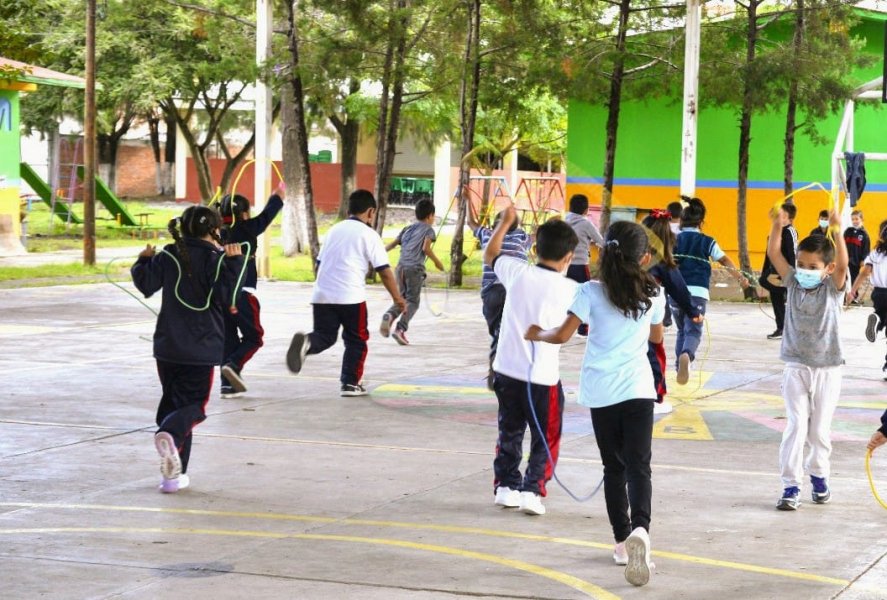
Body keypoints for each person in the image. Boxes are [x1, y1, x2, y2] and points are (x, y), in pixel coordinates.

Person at [526, 220, 665, 588]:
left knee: (614, 468)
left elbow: (563, 335)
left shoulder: (589, 292)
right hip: (638, 390)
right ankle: (642, 532)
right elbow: (656, 337)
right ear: (645, 257)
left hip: (602, 394)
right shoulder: (654, 293)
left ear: (602, 253)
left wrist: (536, 333)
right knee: (640, 467)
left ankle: (621, 542)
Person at [131, 205, 244, 493]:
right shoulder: (217, 259)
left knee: (174, 405)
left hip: (167, 347)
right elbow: (227, 299)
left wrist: (143, 261)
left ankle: (172, 477)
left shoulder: (168, 254)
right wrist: (235, 264)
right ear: (214, 230)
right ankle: (168, 434)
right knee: (192, 408)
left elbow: (146, 285)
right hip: (201, 348)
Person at [484, 205, 577, 518]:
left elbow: (491, 253)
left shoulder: (517, 272)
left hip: (506, 370)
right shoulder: (572, 290)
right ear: (569, 258)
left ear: (535, 248)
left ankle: (505, 486)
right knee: (546, 435)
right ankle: (533, 489)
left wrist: (506, 222)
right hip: (542, 378)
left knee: (509, 430)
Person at [286, 190, 406, 397]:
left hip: (322, 295)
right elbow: (384, 271)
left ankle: (306, 343)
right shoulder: (369, 235)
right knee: (356, 340)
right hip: (350, 296)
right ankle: (350, 383)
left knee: (324, 336)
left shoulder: (334, 230)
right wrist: (398, 298)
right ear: (370, 212)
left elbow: (319, 263)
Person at [766, 207, 848, 510]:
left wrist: (837, 231)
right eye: (800, 263)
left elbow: (843, 266)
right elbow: (775, 252)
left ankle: (820, 477)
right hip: (796, 366)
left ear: (825, 268)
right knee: (796, 426)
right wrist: (777, 225)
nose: (803, 269)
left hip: (828, 368)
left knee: (818, 431)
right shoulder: (793, 282)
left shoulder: (832, 287)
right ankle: (790, 486)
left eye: (812, 265)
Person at [217, 183, 285, 398]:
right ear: (244, 214)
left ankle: (227, 385)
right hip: (242, 294)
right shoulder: (246, 228)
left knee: (229, 339)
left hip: (220, 296)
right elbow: (267, 216)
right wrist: (278, 197)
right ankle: (233, 365)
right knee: (254, 337)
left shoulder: (218, 232)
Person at [673, 197, 748, 384]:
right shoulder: (707, 241)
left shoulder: (673, 240)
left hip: (675, 290)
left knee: (681, 330)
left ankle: (679, 366)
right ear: (701, 222)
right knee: (693, 331)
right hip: (697, 292)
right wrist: (740, 277)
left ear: (681, 221)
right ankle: (687, 356)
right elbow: (723, 260)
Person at [468, 204, 532, 390]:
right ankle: (504, 369)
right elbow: (538, 237)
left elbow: (471, 223)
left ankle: (495, 366)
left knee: (496, 329)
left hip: (491, 292)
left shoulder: (487, 234)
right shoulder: (522, 237)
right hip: (515, 291)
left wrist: (466, 200)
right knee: (509, 332)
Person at [641, 210, 701, 408]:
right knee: (652, 352)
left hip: (621, 313)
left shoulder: (629, 257)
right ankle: (653, 397)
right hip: (648, 316)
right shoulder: (662, 262)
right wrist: (693, 313)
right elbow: (679, 290)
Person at [379, 198, 445, 346]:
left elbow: (392, 245)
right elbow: (425, 248)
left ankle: (389, 315)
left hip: (400, 267)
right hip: (414, 268)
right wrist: (437, 262)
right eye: (433, 216)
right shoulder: (428, 229)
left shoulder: (407, 228)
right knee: (413, 301)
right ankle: (400, 329)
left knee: (401, 298)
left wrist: (378, 254)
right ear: (430, 216)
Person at [847, 219, 887, 373]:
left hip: (879, 293)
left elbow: (864, 272)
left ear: (880, 235)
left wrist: (852, 291)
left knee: (881, 314)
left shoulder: (875, 253)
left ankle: (877, 321)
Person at [564, 194, 604, 336]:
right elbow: (600, 241)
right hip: (580, 265)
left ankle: (564, 323)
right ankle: (582, 328)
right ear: (586, 210)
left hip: (564, 266)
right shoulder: (586, 223)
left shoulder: (564, 220)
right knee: (585, 295)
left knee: (565, 295)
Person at [759, 203, 798, 340]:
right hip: (773, 273)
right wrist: (765, 271)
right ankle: (781, 328)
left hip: (785, 273)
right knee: (775, 298)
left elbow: (793, 253)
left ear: (789, 218)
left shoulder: (789, 232)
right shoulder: (774, 232)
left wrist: (792, 274)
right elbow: (768, 254)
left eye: (782, 216)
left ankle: (790, 328)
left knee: (787, 299)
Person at [844, 209, 871, 297]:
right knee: (845, 278)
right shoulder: (848, 231)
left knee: (854, 278)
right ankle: (844, 296)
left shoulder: (864, 234)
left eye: (856, 219)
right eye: (853, 219)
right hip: (846, 260)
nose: (854, 221)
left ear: (861, 219)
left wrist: (863, 259)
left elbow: (866, 249)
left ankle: (853, 296)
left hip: (856, 261)